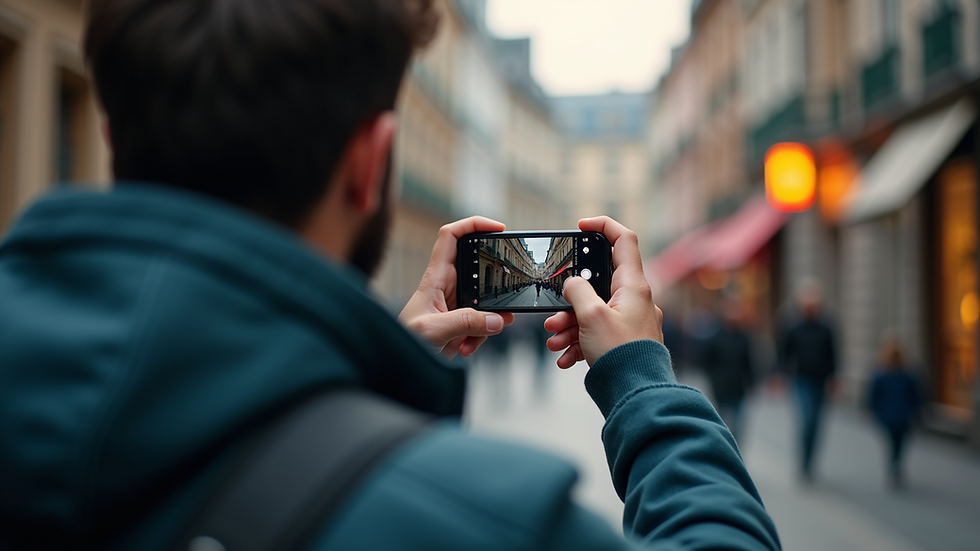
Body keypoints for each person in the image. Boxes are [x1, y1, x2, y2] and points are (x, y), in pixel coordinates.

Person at [0, 1, 780, 550]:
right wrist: (645, 384)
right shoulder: (485, 518)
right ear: (370, 165)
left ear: (109, 133)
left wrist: (354, 394)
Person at [778, 280, 837, 482]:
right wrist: (780, 376)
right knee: (807, 419)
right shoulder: (793, 327)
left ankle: (810, 462)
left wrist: (834, 378)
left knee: (817, 423)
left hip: (820, 380)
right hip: (801, 380)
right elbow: (784, 353)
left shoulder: (826, 327)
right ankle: (803, 462)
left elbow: (833, 354)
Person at [867, 335, 922, 488]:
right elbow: (917, 396)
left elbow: (873, 396)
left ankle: (894, 464)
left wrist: (872, 411)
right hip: (903, 417)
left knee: (892, 443)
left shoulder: (881, 373)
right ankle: (896, 464)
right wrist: (918, 411)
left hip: (887, 417)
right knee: (900, 443)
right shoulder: (908, 373)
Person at [700, 299, 756, 443]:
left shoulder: (744, 338)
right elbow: (704, 360)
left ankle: (735, 452)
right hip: (721, 388)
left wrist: (752, 383)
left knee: (738, 425)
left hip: (739, 387)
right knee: (722, 423)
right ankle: (724, 449)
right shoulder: (715, 338)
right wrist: (714, 378)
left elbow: (748, 362)